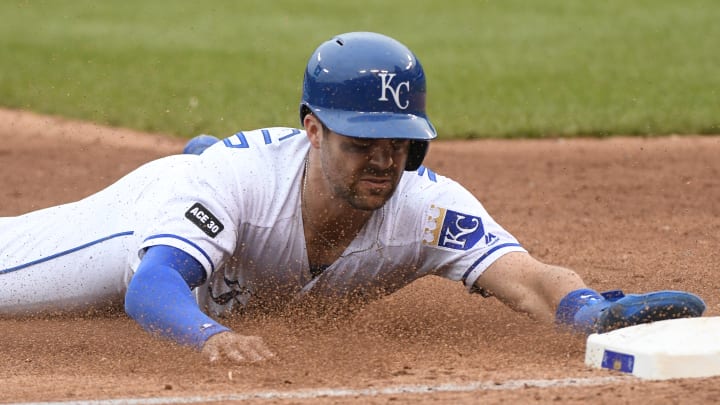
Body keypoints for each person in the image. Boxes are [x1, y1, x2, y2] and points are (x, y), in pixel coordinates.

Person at [0, 32, 705, 363]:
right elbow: (151, 285)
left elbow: (526, 276)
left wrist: (586, 307)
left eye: (398, 141)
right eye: (362, 141)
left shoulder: (425, 206)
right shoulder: (235, 187)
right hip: (150, 216)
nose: (384, 158)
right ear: (312, 128)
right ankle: (195, 174)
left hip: (224, 204)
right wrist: (209, 338)